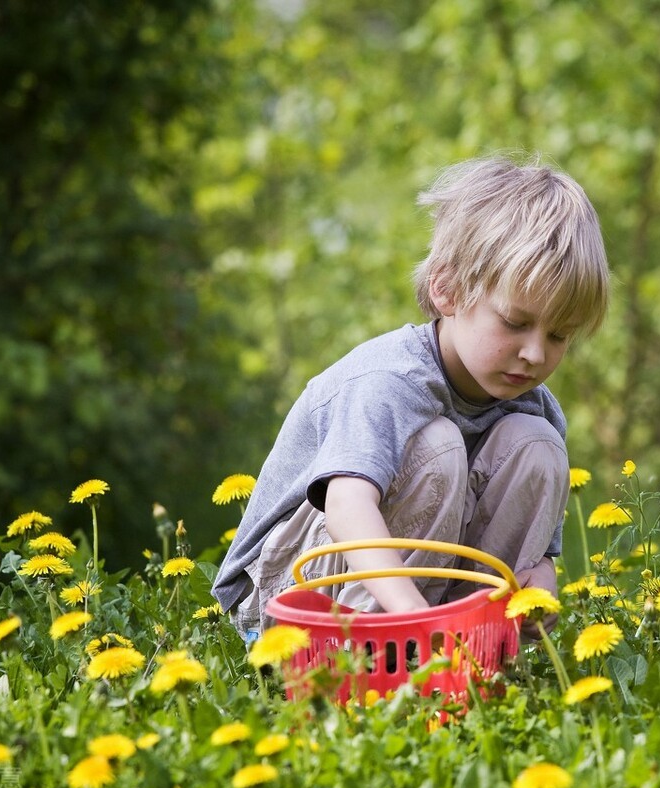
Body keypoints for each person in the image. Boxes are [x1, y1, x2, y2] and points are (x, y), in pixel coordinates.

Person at [211, 154, 610, 642]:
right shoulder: (389, 379)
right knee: (436, 447)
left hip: (418, 593)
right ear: (447, 291)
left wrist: (538, 580)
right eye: (515, 322)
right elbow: (346, 505)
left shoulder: (535, 405)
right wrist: (410, 615)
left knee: (537, 444)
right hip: (288, 597)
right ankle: (376, 652)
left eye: (560, 336)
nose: (534, 353)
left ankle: (470, 648)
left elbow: (540, 553)